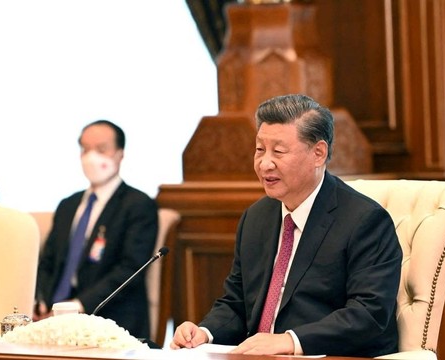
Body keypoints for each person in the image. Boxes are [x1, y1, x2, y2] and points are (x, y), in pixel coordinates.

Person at [170, 94, 402, 357]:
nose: (264, 163)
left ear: (318, 153)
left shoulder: (364, 220)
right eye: (259, 149)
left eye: (278, 151)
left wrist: (290, 341)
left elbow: (368, 314)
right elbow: (236, 303)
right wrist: (205, 332)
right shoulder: (256, 218)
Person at [34, 120, 158, 340]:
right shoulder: (68, 205)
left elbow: (130, 269)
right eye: (85, 149)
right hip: (53, 320)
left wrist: (77, 307)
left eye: (101, 149)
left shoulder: (137, 204)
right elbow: (48, 262)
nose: (92, 157)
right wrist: (42, 300)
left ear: (120, 154)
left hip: (109, 320)